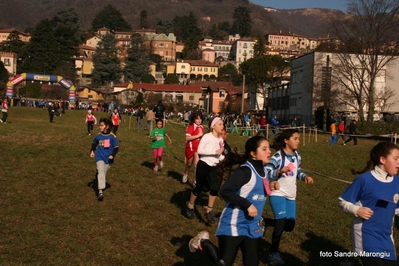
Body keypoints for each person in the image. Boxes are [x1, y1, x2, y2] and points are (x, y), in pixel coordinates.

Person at [188, 136, 279, 266]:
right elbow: (225, 191)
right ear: (253, 153)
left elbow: (255, 191)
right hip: (233, 224)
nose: (269, 152)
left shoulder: (264, 171)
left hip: (252, 226)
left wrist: (270, 186)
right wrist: (247, 205)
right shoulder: (245, 171)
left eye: (269, 148)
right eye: (264, 149)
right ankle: (202, 242)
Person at [339, 141, 399, 266]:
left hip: (387, 238)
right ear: (382, 159)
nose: (398, 162)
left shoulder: (397, 182)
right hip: (366, 235)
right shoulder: (365, 180)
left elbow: (396, 208)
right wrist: (356, 210)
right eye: (396, 158)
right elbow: (342, 201)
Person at [263, 128, 314, 265]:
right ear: (286, 140)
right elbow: (267, 171)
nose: (298, 141)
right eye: (295, 138)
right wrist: (279, 171)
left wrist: (305, 177)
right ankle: (273, 253)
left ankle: (266, 222)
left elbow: (297, 171)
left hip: (291, 195)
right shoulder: (278, 157)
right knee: (280, 223)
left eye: (298, 138)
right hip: (277, 193)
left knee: (289, 225)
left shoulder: (297, 156)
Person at [185, 116, 226, 224]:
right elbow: (200, 150)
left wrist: (223, 158)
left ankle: (208, 210)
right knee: (199, 188)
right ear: (213, 126)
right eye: (220, 124)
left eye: (222, 124)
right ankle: (190, 205)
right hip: (204, 165)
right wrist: (215, 152)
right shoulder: (207, 137)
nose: (222, 126)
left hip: (215, 166)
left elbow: (220, 153)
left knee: (215, 188)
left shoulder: (221, 139)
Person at [90, 118, 119, 201]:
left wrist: (112, 155)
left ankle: (98, 175)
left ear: (107, 126)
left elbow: (116, 148)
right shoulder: (98, 136)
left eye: (102, 125)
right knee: (101, 172)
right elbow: (94, 144)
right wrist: (92, 151)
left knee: (102, 173)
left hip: (108, 159)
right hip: (99, 157)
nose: (100, 127)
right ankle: (100, 191)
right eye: (100, 125)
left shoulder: (112, 136)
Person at [182, 112, 204, 183]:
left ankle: (195, 180)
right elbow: (187, 138)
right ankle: (186, 173)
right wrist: (198, 135)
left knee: (197, 166)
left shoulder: (202, 127)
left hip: (198, 149)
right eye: (197, 119)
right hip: (190, 148)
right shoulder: (191, 127)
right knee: (189, 164)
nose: (199, 120)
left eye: (200, 119)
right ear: (194, 119)